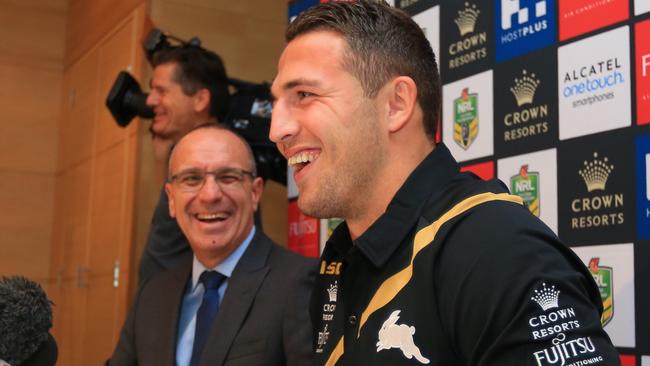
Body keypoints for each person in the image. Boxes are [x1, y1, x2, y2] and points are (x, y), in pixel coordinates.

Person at [269, 2, 620, 365]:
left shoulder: (495, 251)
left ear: (396, 104)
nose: (277, 130)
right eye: (277, 103)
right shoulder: (340, 260)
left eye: (305, 95)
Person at [110, 125, 316, 366]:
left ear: (255, 193)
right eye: (191, 179)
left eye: (228, 177)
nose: (210, 195)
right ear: (171, 199)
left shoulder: (301, 283)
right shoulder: (152, 294)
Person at [140, 45, 230, 284]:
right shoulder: (188, 157)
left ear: (200, 99)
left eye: (161, 91)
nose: (150, 100)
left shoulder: (218, 157)